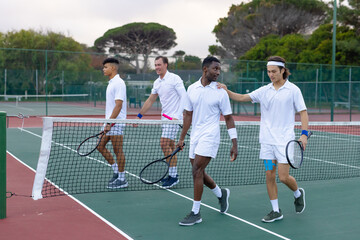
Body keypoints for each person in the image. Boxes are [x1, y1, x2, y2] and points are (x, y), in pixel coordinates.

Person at [218, 56, 309, 223]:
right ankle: (276, 210)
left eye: (274, 71)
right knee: (269, 174)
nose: (271, 74)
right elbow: (241, 97)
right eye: (268, 71)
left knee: (283, 177)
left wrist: (304, 134)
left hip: (284, 143)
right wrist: (226, 90)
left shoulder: (293, 90)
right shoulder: (264, 90)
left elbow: (303, 112)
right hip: (267, 143)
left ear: (283, 70)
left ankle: (297, 193)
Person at [176, 56, 238, 226]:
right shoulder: (192, 89)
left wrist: (234, 143)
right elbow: (188, 114)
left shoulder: (220, 92)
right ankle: (220, 193)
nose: (218, 72)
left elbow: (228, 118)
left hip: (210, 136)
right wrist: (182, 138)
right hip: (195, 136)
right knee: (199, 172)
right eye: (215, 69)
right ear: (205, 69)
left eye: (219, 69)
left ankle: (196, 213)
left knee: (196, 170)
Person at [137, 56, 187, 188]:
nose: (157, 67)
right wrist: (139, 115)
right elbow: (150, 100)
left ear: (166, 65)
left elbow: (184, 96)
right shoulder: (157, 82)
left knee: (163, 143)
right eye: (155, 65)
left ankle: (174, 176)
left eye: (159, 64)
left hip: (174, 119)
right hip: (165, 119)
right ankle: (172, 174)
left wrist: (177, 115)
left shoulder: (175, 79)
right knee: (169, 147)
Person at [97, 57, 128, 189]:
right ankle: (116, 170)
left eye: (105, 67)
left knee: (118, 150)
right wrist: (107, 123)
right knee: (100, 146)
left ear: (113, 68)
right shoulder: (111, 83)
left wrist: (110, 123)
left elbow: (118, 105)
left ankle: (122, 179)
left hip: (116, 123)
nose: (103, 69)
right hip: (109, 122)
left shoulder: (119, 83)